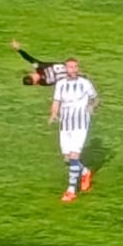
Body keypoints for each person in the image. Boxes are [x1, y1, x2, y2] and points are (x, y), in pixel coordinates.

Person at [48, 59, 97, 203]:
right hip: (65, 123)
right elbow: (56, 101)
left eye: (75, 67)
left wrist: (92, 107)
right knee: (67, 159)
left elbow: (94, 98)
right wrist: (53, 114)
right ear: (65, 69)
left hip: (80, 123)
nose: (74, 69)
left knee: (74, 156)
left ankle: (71, 191)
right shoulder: (61, 84)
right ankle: (85, 172)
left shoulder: (84, 83)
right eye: (70, 67)